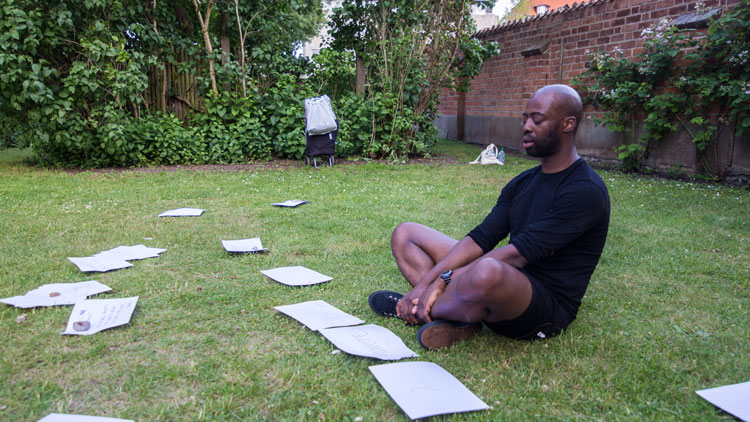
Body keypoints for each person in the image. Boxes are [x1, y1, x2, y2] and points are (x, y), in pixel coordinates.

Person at [368, 84, 610, 350]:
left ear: (568, 124)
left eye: (537, 120)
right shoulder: (523, 182)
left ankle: (422, 309)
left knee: (488, 271)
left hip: (543, 306)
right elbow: (480, 238)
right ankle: (455, 316)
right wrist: (426, 282)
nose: (526, 126)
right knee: (406, 234)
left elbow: (518, 254)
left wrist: (443, 279)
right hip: (505, 277)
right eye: (525, 119)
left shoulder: (585, 190)